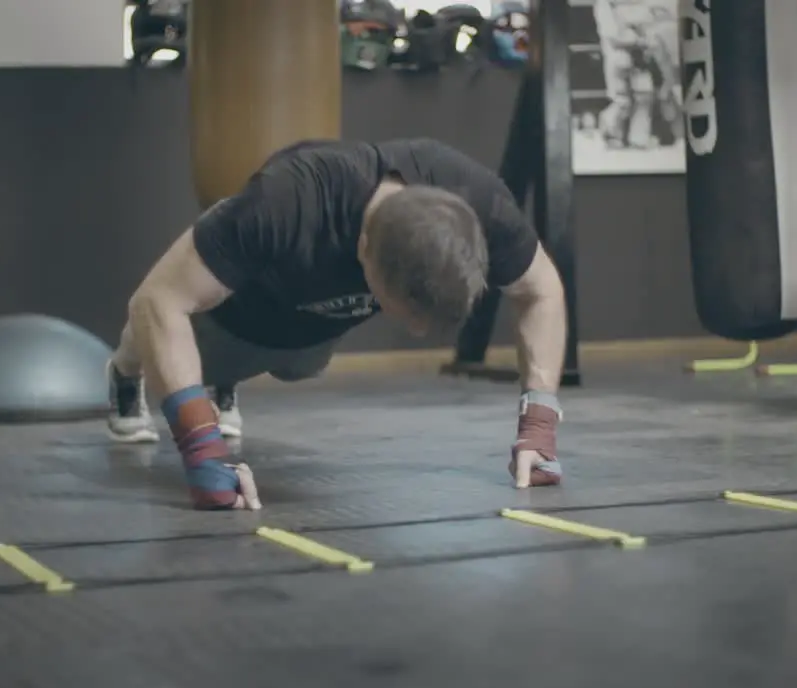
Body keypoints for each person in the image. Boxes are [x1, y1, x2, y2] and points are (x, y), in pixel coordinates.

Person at [107, 137, 568, 510]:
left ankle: (224, 377)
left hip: (310, 328)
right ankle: (125, 374)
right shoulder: (285, 202)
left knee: (299, 364)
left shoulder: (478, 201)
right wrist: (200, 448)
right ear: (363, 247)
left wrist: (539, 428)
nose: (417, 333)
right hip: (238, 305)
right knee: (164, 322)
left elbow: (541, 289)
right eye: (406, 312)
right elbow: (158, 300)